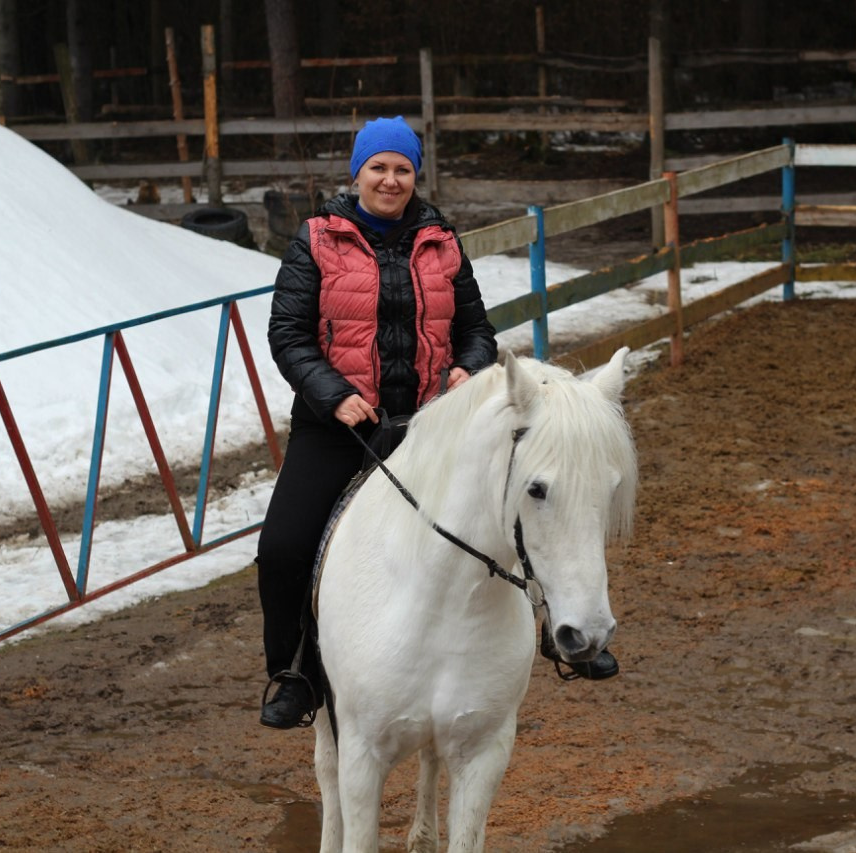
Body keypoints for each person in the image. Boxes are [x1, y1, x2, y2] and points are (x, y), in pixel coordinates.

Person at [257, 116, 613, 731]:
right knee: (283, 547)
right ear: (357, 173)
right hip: (340, 425)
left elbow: (475, 329)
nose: (390, 180)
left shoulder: (441, 240)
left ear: (415, 176)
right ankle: (296, 673)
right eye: (378, 167)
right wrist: (334, 394)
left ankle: (566, 629)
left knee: (527, 509)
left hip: (431, 424)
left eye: (402, 169)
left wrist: (467, 368)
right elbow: (288, 334)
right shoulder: (316, 240)